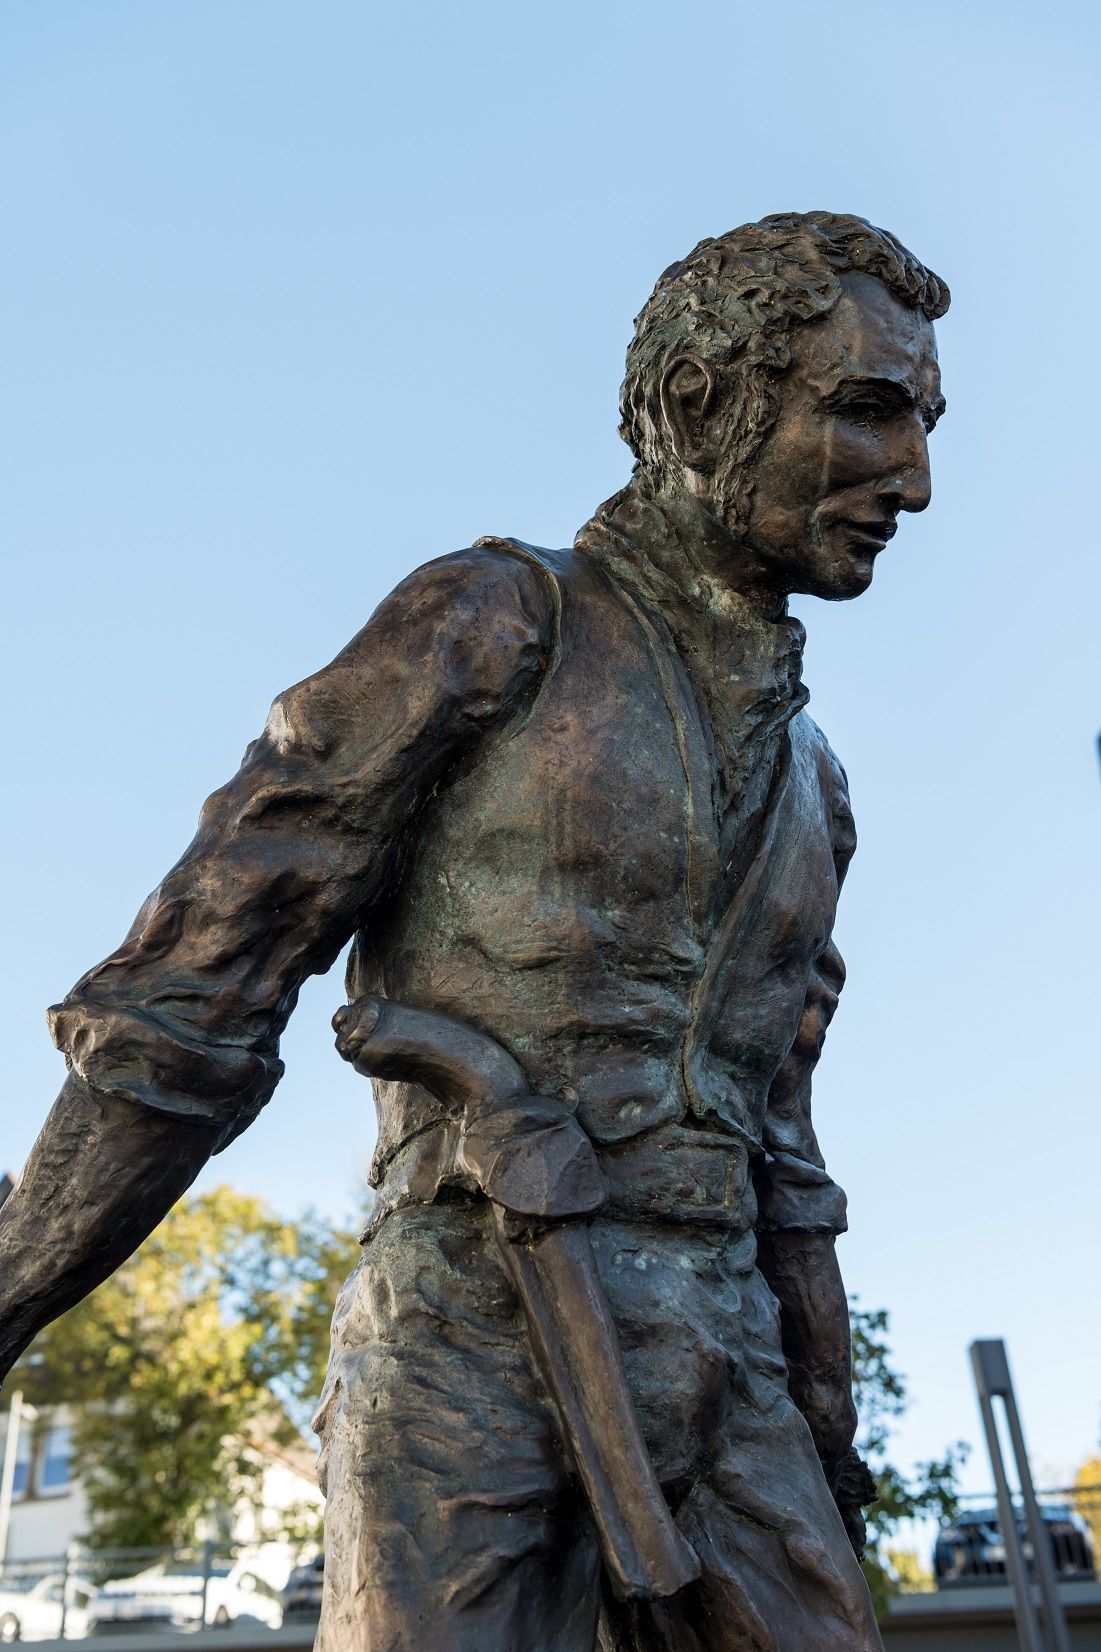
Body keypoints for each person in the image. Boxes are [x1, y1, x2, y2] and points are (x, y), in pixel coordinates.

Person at [0, 212, 948, 1652]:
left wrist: (824, 1434)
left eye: (924, 424)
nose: (916, 483)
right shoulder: (494, 620)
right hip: (468, 1349)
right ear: (700, 405)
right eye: (866, 410)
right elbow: (193, 997)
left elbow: (784, 1159)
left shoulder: (819, 787)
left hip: (730, 1375)